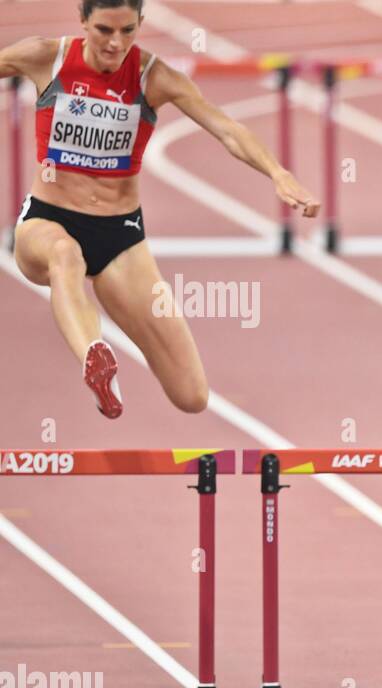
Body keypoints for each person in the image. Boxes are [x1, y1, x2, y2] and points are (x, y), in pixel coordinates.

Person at [1, 0, 319, 419]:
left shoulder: (156, 77)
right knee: (65, 255)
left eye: (127, 31)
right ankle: (95, 359)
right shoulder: (46, 56)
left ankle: (104, 359)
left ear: (140, 24)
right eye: (103, 31)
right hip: (48, 220)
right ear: (82, 22)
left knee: (191, 395)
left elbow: (226, 128)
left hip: (120, 235)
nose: (116, 44)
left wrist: (277, 173)